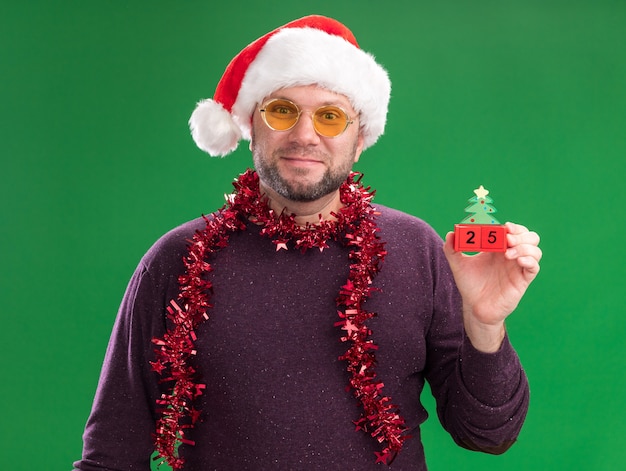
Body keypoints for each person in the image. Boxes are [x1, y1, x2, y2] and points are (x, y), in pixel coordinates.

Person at [74, 15, 542, 471]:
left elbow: (488, 433)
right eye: (281, 110)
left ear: (360, 139)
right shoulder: (177, 260)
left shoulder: (416, 249)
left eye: (330, 116)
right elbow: (111, 456)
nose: (304, 135)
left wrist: (484, 325)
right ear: (250, 126)